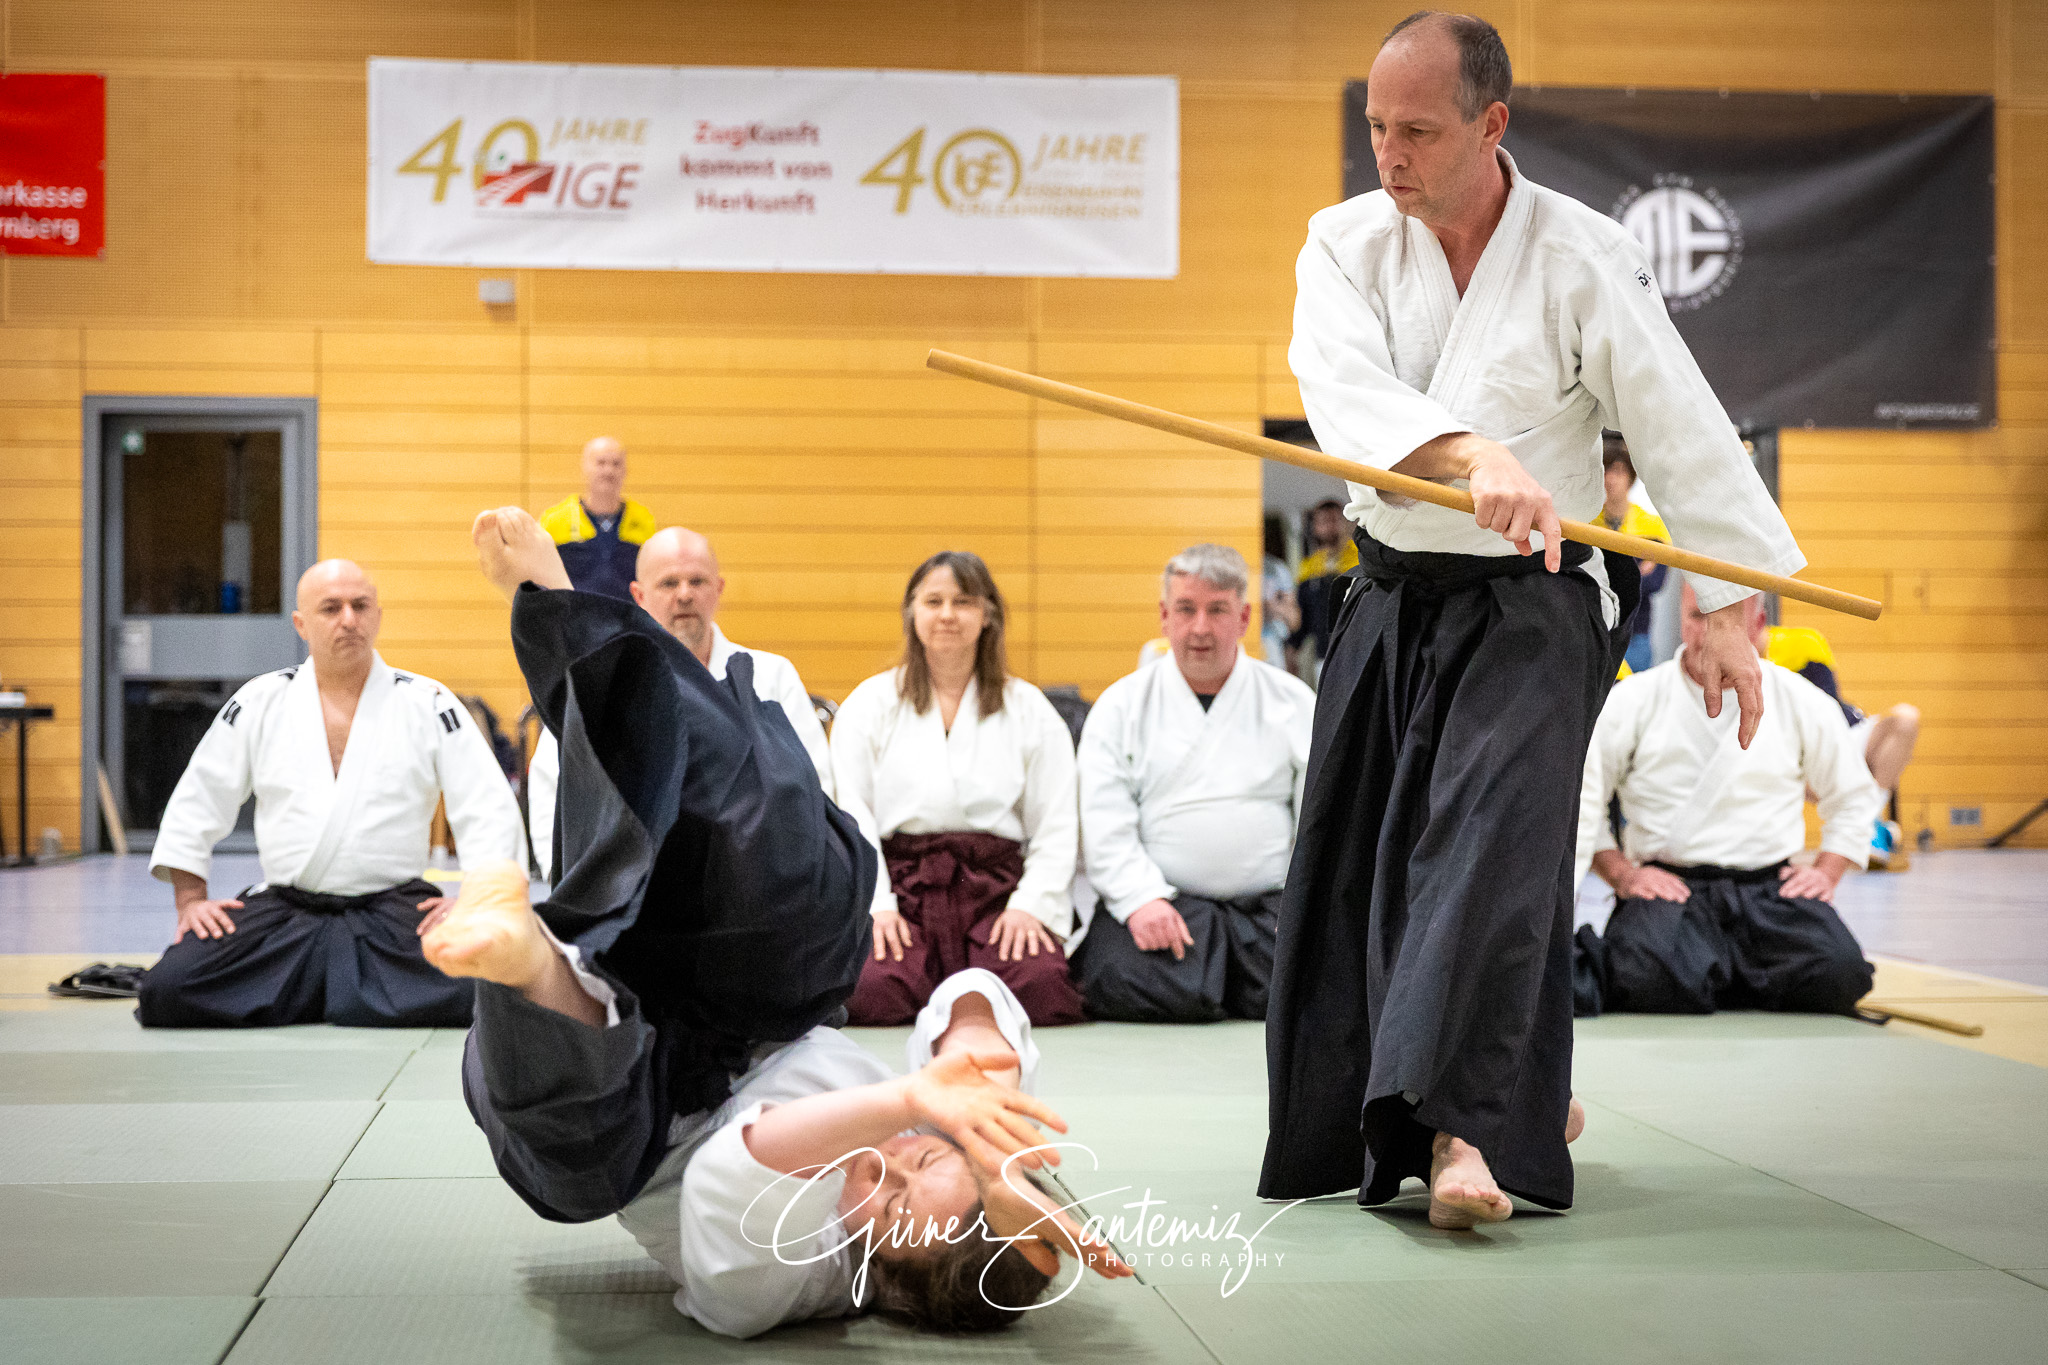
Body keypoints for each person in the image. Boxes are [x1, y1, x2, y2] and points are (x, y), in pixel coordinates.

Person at [1260, 11, 1803, 1231]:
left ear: (1489, 126)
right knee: (1365, 859)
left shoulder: (1582, 253)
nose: (1386, 155)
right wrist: (1463, 453)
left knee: (1487, 845)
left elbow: (1675, 418)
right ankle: (1501, 1086)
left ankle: (1466, 1130)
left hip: (1535, 597)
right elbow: (1338, 388)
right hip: (1393, 588)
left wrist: (1722, 603)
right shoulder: (1342, 241)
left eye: (1415, 131)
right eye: (1373, 129)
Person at [439, 511, 1125, 1338]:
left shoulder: (786, 1277)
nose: (890, 1161)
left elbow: (734, 1164)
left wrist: (914, 1099)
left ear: (877, 1275)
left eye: (892, 1204)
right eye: (929, 1159)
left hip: (641, 1115)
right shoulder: (936, 1127)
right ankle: (562, 613)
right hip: (754, 996)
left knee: (569, 1146)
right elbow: (972, 991)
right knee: (767, 823)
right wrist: (980, 1087)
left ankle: (532, 969)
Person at [137, 560, 525, 1028]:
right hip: (286, 915)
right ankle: (349, 992)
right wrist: (191, 899)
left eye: (360, 606)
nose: (348, 620)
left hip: (396, 916)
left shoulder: (428, 702)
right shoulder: (262, 701)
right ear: (301, 623)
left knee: (493, 987)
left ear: (378, 616)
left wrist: (475, 901)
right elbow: (201, 793)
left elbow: (486, 805)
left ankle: (306, 992)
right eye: (331, 608)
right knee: (168, 990)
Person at [1572, 587, 1883, 1016]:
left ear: (1756, 626)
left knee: (1840, 971)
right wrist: (1623, 876)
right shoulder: (1634, 700)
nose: (1707, 633)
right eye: (1698, 616)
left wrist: (1826, 874)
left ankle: (1713, 973)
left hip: (1770, 892)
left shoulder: (1801, 700)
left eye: (1726, 619)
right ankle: (1733, 974)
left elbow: (1852, 796)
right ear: (1682, 620)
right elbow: (1584, 801)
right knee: (1640, 976)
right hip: (1673, 892)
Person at [831, 552, 1086, 1028]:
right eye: (933, 601)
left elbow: (1057, 824)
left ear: (987, 615)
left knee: (1039, 986)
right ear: (912, 612)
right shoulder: (870, 704)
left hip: (995, 888)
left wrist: (1029, 907)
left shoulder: (1029, 709)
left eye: (963, 601)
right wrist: (878, 906)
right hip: (902, 886)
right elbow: (852, 812)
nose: (947, 614)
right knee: (872, 991)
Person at [1071, 545, 1315, 1022]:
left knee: (1318, 984)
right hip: (1165, 906)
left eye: (1217, 610)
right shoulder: (1121, 707)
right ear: (1165, 617)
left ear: (1244, 617)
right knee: (1115, 978)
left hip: (1268, 909)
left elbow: (1319, 821)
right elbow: (1104, 822)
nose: (1200, 627)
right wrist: (1140, 900)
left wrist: (1306, 904)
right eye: (1186, 609)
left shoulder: (1292, 701)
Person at [526, 526, 833, 880]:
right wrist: (571, 891)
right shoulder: (604, 680)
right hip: (639, 892)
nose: (684, 595)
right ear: (639, 596)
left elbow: (815, 789)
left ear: (718, 589)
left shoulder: (771, 676)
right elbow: (552, 781)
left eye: (698, 582)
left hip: (757, 886)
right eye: (669, 584)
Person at [1761, 621, 1919, 867]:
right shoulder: (1725, 662)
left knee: (1906, 718)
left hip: (1847, 733)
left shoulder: (1801, 641)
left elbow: (1828, 704)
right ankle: (1870, 829)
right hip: (1798, 755)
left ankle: (1866, 822)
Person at [539, 436, 656, 601]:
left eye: (616, 464)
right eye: (601, 463)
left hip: (628, 621)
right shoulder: (554, 521)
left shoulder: (644, 521)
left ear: (625, 470)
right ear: (585, 467)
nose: (608, 471)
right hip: (574, 621)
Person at [1598, 435, 1671, 674]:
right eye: (1605, 470)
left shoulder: (1652, 526)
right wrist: (1634, 573)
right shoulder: (1586, 525)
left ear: (1630, 477)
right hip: (1596, 630)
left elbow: (1655, 583)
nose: (1611, 479)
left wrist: (1606, 577)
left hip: (1636, 632)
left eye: (1618, 471)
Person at [1286, 499, 1356, 679]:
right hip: (1324, 654)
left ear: (1346, 523)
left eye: (1335, 520)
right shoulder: (1309, 568)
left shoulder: (1361, 560)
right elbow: (1305, 614)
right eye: (1323, 521)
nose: (1330, 527)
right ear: (1315, 527)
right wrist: (1293, 646)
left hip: (1357, 651)